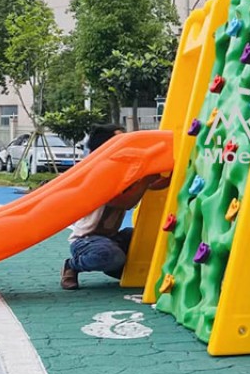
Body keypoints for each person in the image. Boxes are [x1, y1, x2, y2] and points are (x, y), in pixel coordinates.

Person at [61, 123, 170, 290]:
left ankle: (120, 267)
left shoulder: (124, 171)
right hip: (86, 240)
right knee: (109, 255)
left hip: (112, 237)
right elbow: (125, 202)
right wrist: (146, 180)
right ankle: (73, 265)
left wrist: (171, 175)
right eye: (119, 140)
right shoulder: (99, 175)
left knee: (146, 237)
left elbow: (152, 185)